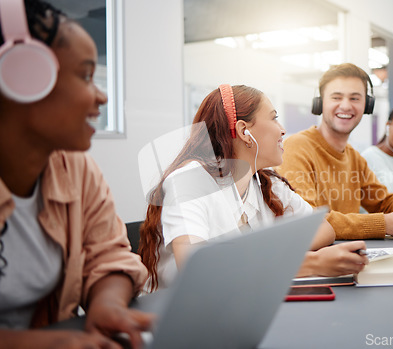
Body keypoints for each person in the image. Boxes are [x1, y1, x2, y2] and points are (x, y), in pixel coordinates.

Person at [0, 1, 154, 348]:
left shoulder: (76, 168)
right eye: (86, 76)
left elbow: (108, 254)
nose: (101, 95)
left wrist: (108, 304)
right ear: (22, 79)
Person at [139, 84, 368, 291]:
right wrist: (309, 262)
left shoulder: (265, 182)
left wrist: (266, 254)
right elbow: (197, 269)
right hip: (176, 320)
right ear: (243, 131)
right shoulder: (189, 182)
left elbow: (324, 228)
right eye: (274, 118)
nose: (282, 130)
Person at [276, 63, 393, 240]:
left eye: (355, 98)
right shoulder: (297, 147)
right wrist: (384, 224)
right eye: (336, 97)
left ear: (367, 105)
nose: (346, 106)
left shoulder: (353, 157)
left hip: (351, 255)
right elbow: (309, 221)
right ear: (320, 103)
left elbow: (383, 202)